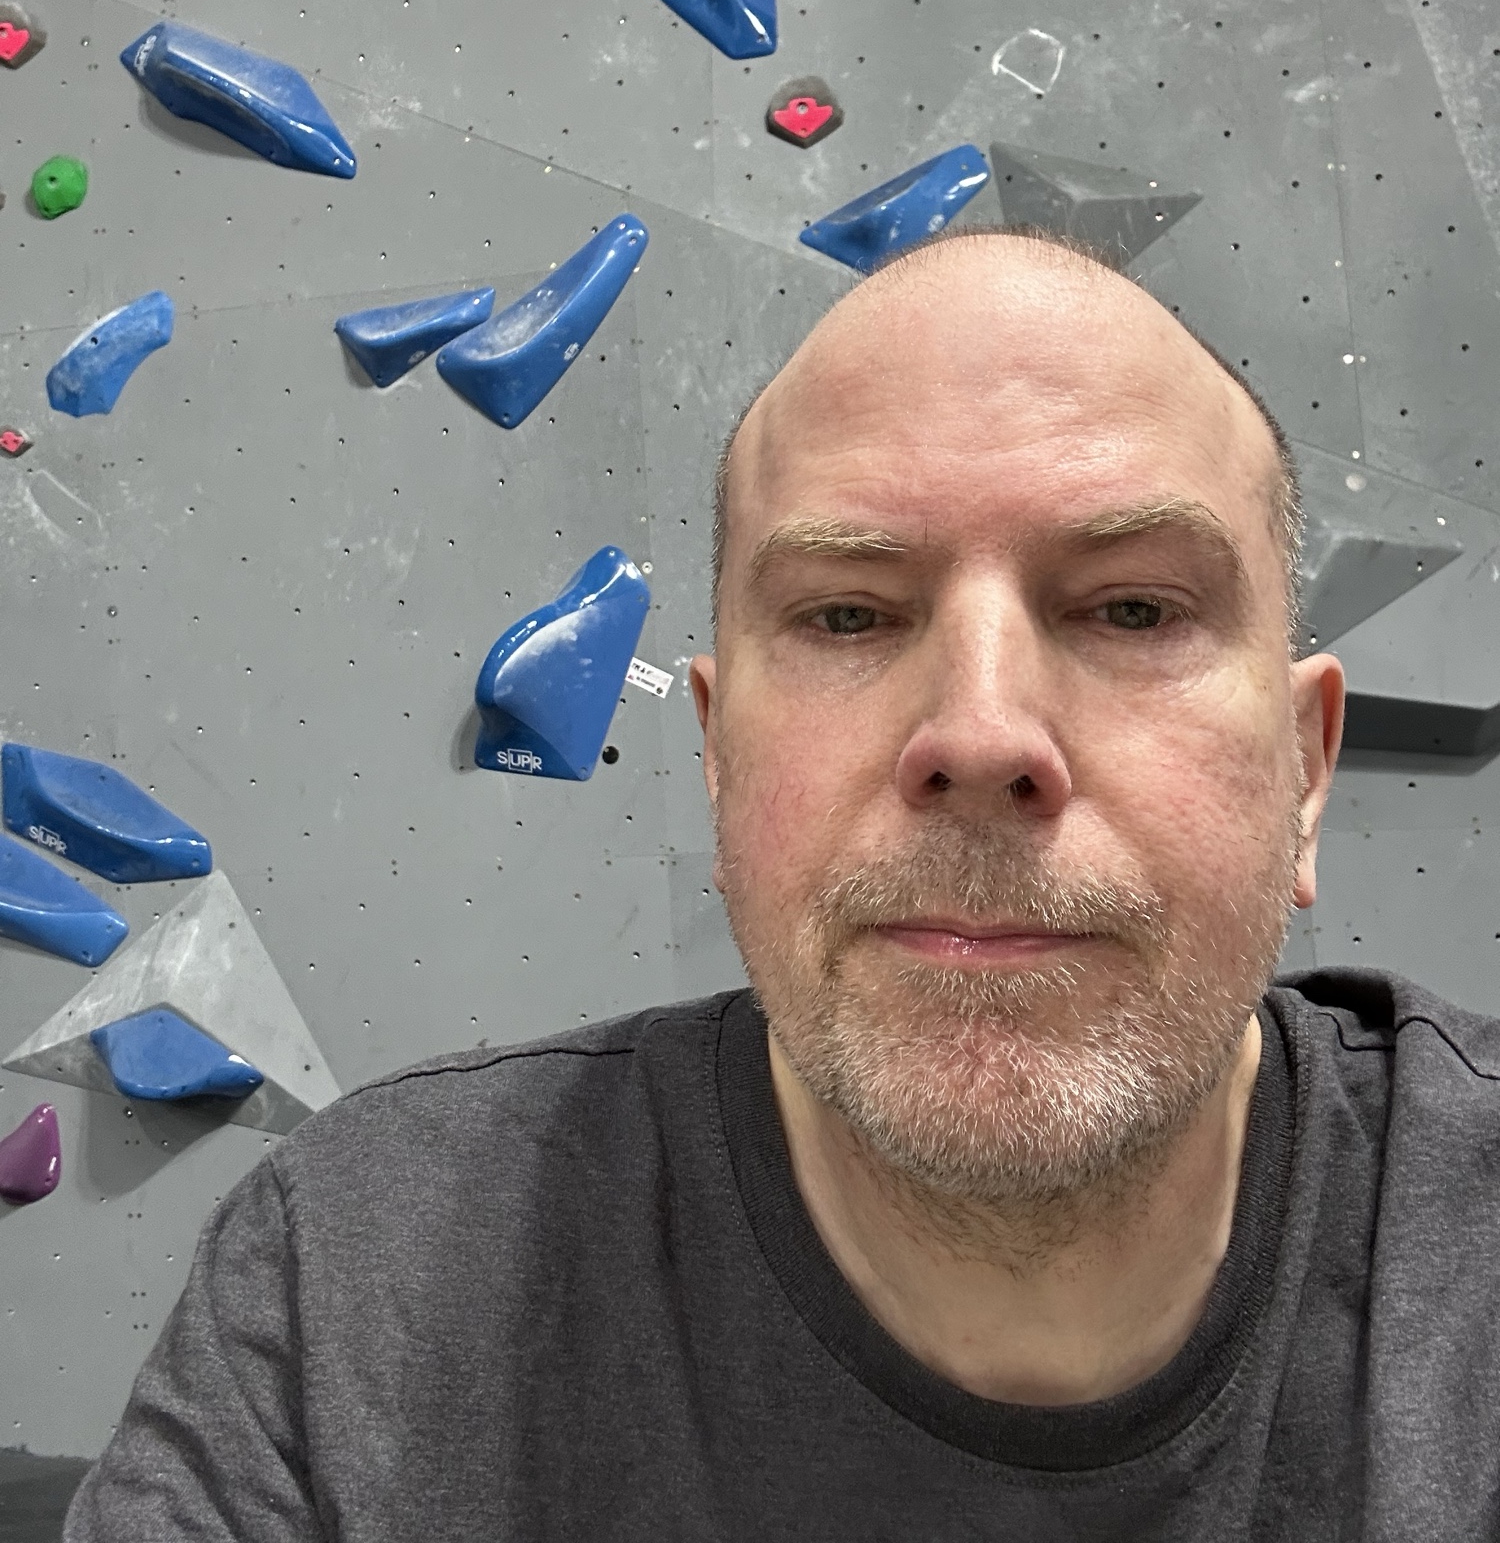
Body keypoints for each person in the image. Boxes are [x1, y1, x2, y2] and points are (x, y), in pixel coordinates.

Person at [66, 228, 1500, 1541]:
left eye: (1133, 607)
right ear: (716, 756)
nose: (983, 734)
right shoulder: (360, 1285)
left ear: (1305, 771)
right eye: (849, 615)